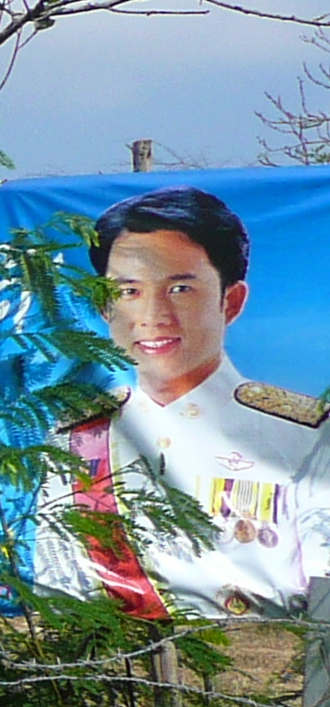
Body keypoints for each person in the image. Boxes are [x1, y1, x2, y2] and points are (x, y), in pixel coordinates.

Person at [36, 185, 330, 619]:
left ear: (230, 301)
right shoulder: (76, 443)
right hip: (118, 675)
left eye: (179, 289)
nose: (153, 315)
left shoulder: (303, 436)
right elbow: (61, 595)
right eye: (130, 291)